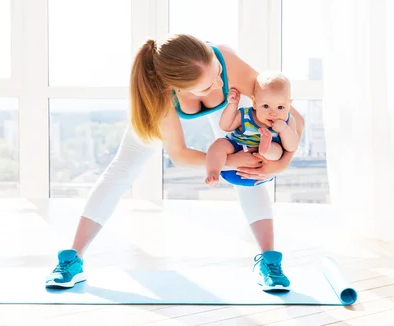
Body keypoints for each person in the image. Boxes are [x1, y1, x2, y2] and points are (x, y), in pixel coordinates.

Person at [45, 34, 305, 292]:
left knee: (251, 167)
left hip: (228, 112)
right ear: (177, 88)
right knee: (122, 169)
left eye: (217, 74)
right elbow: (179, 154)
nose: (218, 83)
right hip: (164, 104)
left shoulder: (226, 63)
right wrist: (226, 161)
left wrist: (279, 163)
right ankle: (72, 258)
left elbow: (295, 118)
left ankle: (268, 260)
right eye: (207, 86)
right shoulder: (159, 94)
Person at [205, 71, 300, 187]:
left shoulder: (288, 121)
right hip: (236, 149)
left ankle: (266, 148)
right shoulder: (245, 115)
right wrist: (232, 105)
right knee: (219, 144)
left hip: (263, 166)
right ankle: (213, 171)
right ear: (254, 103)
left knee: (277, 151)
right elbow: (225, 126)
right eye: (266, 106)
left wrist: (284, 129)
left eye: (280, 107)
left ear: (289, 105)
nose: (273, 113)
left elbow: (291, 147)